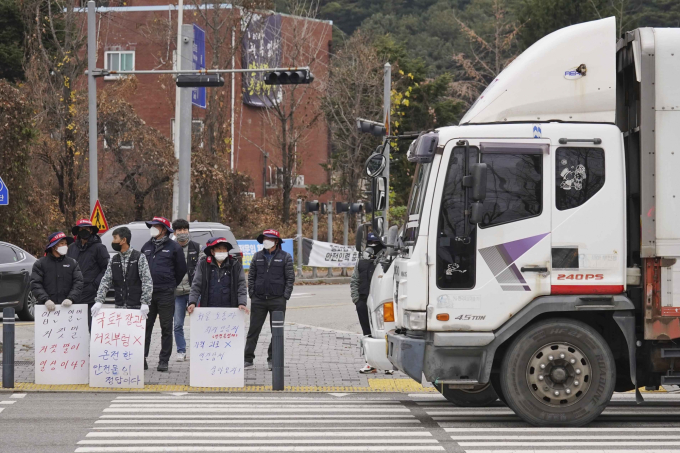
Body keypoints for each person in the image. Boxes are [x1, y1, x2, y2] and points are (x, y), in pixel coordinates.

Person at [140, 216, 187, 372]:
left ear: (164, 230)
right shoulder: (146, 247)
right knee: (145, 327)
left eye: (156, 226)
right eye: (151, 226)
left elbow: (181, 270)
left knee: (166, 327)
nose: (152, 228)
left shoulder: (174, 247)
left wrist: (171, 284)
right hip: (148, 294)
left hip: (166, 293)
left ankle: (163, 360)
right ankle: (142, 358)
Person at [244, 229, 295, 370]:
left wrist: (285, 296)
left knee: (277, 332)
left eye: (270, 238)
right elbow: (251, 277)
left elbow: (290, 278)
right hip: (258, 300)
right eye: (265, 238)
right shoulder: (257, 256)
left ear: (276, 241)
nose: (267, 241)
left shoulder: (285, 257)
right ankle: (247, 359)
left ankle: (273, 359)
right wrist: (252, 294)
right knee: (253, 330)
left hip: (277, 300)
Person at [91, 226, 152, 342]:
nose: (113, 241)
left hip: (136, 307)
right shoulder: (114, 260)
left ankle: (140, 360)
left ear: (123, 240)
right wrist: (99, 301)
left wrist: (145, 302)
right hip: (119, 307)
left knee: (136, 339)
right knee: (122, 337)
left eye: (115, 238)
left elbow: (147, 280)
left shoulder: (139, 257)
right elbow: (106, 280)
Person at [350, 233, 385, 374]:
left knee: (384, 333)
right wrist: (356, 299)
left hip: (380, 302)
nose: (372, 246)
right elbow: (354, 281)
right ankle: (370, 363)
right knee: (367, 333)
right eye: (370, 243)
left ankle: (387, 364)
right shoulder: (361, 262)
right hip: (363, 301)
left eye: (376, 243)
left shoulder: (385, 262)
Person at [187, 237, 249, 314]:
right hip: (208, 308)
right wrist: (192, 302)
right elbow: (196, 285)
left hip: (230, 308)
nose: (222, 251)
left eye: (224, 249)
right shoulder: (204, 264)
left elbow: (241, 285)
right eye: (219, 249)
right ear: (212, 251)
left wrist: (242, 303)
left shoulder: (235, 265)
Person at [67, 219, 110, 329]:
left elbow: (107, 269)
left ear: (91, 231)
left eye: (86, 229)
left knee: (92, 327)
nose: (83, 231)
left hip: (91, 294)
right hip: (73, 293)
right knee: (74, 328)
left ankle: (93, 346)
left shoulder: (99, 248)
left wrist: (95, 284)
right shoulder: (72, 248)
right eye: (81, 229)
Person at [171, 219, 202, 362]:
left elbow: (202, 270)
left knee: (198, 324)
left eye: (185, 230)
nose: (182, 233)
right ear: (174, 232)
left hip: (194, 293)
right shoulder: (170, 248)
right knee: (177, 324)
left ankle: (199, 349)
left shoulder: (197, 248)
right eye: (179, 230)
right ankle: (181, 351)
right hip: (176, 293)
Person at [30, 232, 84, 312]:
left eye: (65, 244)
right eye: (61, 243)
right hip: (46, 310)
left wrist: (71, 298)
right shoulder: (41, 264)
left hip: (69, 309)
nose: (65, 246)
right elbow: (35, 284)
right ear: (53, 246)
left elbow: (78, 282)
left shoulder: (72, 263)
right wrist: (46, 300)